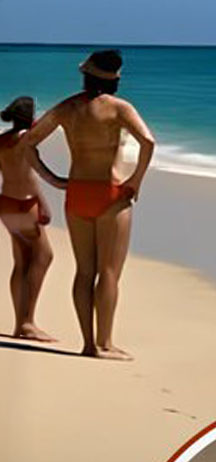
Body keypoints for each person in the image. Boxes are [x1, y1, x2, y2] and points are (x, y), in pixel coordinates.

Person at [24, 49, 155, 360]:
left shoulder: (67, 107)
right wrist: (135, 181)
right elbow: (148, 143)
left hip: (78, 191)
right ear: (115, 79)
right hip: (110, 193)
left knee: (85, 272)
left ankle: (87, 344)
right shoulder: (120, 108)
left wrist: (53, 179)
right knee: (109, 272)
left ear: (86, 75)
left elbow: (29, 142)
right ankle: (105, 343)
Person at [0, 97, 56, 342]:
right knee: (43, 256)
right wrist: (43, 204)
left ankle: (19, 324)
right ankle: (28, 322)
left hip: (7, 201)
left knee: (21, 261)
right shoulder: (27, 139)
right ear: (31, 118)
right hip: (25, 204)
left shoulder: (1, 139)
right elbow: (32, 177)